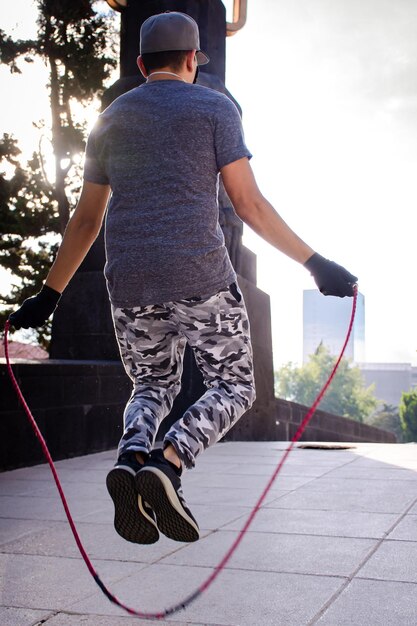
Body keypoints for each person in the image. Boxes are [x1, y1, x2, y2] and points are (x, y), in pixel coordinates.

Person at [9, 11, 357, 545]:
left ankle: (130, 461)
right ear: (193, 59)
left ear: (143, 62)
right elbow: (249, 204)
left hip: (128, 283)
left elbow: (86, 220)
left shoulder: (111, 119)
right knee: (235, 385)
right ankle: (168, 464)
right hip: (201, 276)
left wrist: (47, 296)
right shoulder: (215, 108)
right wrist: (315, 263)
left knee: (150, 383)